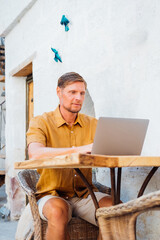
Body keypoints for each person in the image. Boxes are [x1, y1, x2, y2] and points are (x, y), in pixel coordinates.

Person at [27, 72, 112, 240]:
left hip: (85, 194)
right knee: (58, 211)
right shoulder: (41, 122)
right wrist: (77, 150)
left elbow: (106, 151)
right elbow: (35, 153)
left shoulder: (93, 124)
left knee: (115, 209)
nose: (78, 97)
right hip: (51, 194)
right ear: (59, 92)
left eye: (81, 93)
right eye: (72, 92)